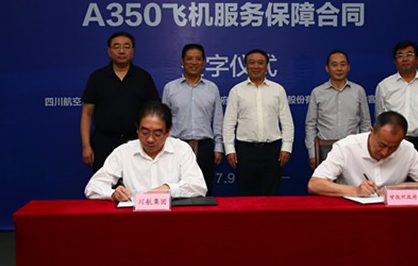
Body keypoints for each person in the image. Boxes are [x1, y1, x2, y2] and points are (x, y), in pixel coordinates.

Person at [84, 101, 207, 201]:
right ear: (137, 130)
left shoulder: (181, 149)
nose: (150, 139)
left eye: (157, 134)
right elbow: (92, 187)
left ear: (168, 132)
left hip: (172, 216)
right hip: (134, 217)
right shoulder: (123, 152)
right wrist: (112, 194)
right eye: (145, 132)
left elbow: (198, 186)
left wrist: (168, 189)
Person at [307, 111, 418, 197]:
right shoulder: (346, 147)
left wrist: (400, 188)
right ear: (372, 131)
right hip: (352, 214)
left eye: (393, 147)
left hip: (392, 215)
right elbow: (314, 184)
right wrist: (356, 191)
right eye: (382, 145)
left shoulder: (407, 149)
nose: (385, 152)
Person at [80, 31, 160, 173]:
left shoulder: (143, 78)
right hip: (103, 143)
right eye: (116, 47)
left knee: (136, 182)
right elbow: (86, 114)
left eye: (126, 47)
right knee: (104, 183)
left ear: (133, 51)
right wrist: (86, 146)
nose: (121, 51)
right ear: (109, 51)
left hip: (136, 143)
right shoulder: (97, 78)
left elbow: (154, 113)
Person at [223, 49, 294, 196]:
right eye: (252, 63)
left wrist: (286, 147)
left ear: (267, 66)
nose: (256, 66)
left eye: (260, 63)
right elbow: (229, 123)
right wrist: (229, 149)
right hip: (245, 151)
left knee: (271, 195)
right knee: (246, 196)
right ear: (246, 66)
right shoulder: (236, 91)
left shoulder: (278, 90)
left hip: (272, 150)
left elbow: (287, 122)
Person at [161, 43, 224, 195]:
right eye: (189, 58)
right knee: (176, 188)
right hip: (177, 146)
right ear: (182, 61)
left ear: (204, 62)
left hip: (204, 147)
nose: (194, 62)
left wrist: (218, 147)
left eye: (198, 59)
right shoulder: (170, 88)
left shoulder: (212, 88)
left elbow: (217, 120)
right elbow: (163, 121)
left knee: (204, 188)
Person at [374, 40, 418, 167]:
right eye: (400, 55)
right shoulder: (385, 85)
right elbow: (380, 117)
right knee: (393, 179)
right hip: (392, 144)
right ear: (395, 61)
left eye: (409, 54)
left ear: (417, 59)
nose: (405, 59)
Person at [304, 50, 371, 169]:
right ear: (327, 68)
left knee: (353, 181)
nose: (339, 68)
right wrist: (313, 153)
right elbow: (310, 125)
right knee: (326, 181)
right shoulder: (317, 92)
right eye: (334, 65)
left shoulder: (358, 91)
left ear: (348, 67)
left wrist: (364, 151)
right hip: (325, 149)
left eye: (342, 64)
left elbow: (365, 123)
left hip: (353, 149)